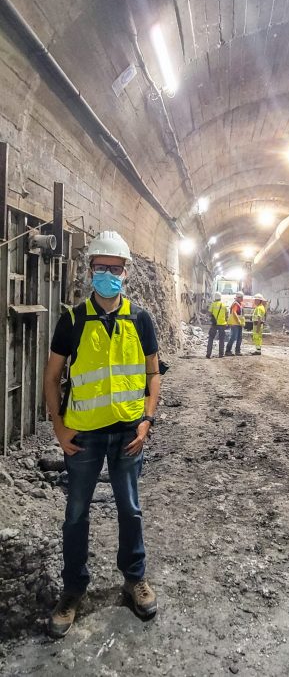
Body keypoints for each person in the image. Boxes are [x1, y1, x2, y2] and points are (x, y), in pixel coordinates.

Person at [44, 230, 160, 638]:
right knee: (76, 514)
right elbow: (53, 375)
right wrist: (59, 428)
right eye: (100, 268)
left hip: (129, 433)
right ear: (90, 270)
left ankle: (134, 579)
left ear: (125, 272)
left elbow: (152, 372)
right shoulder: (72, 319)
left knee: (130, 509)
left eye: (115, 269)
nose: (107, 274)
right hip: (84, 436)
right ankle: (73, 589)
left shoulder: (140, 320)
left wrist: (147, 420)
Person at [206, 291, 228, 358]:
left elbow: (209, 314)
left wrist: (212, 317)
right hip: (222, 324)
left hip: (214, 324)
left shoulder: (213, 304)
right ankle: (221, 354)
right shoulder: (223, 305)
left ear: (214, 297)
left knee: (211, 338)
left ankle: (208, 354)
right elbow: (227, 315)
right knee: (221, 339)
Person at [225, 291, 245, 356]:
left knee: (239, 337)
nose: (242, 299)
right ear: (239, 297)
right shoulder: (235, 304)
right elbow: (234, 312)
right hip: (235, 323)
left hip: (238, 323)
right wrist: (238, 320)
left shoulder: (239, 304)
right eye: (242, 297)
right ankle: (228, 350)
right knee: (234, 337)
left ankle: (237, 351)